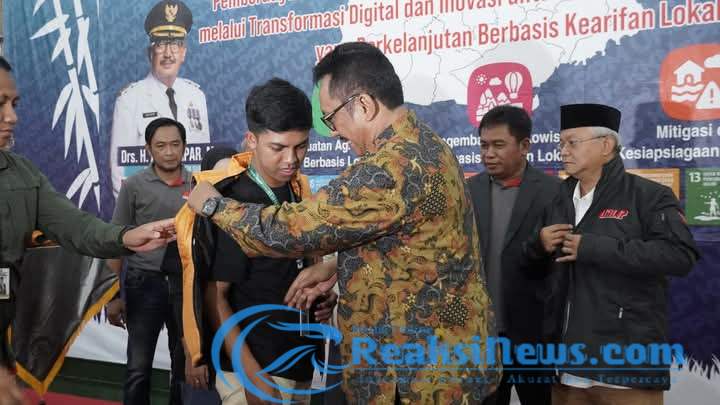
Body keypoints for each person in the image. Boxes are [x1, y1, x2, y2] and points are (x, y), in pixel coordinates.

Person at [187, 42, 500, 404]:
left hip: (415, 377)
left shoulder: (388, 167)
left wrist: (213, 204)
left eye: (331, 118)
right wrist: (338, 264)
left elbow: (289, 231)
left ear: (364, 105)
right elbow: (411, 240)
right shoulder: (427, 144)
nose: (333, 132)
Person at [0, 57, 175, 405]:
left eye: (13, 104)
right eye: (0, 104)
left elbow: (75, 225)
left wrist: (126, 237)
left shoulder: (22, 174)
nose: (12, 117)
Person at [525, 103, 699, 405]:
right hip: (566, 368)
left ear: (606, 145)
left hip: (625, 368)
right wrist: (538, 246)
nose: (563, 151)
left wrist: (593, 247)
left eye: (572, 142)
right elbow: (532, 268)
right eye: (560, 143)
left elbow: (680, 255)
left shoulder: (648, 195)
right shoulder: (556, 198)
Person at [178, 79, 337, 405]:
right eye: (278, 148)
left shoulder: (299, 191)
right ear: (252, 140)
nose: (291, 159)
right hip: (254, 369)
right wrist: (253, 377)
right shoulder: (232, 200)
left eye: (301, 146)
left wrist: (320, 296)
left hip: (298, 358)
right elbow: (215, 297)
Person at [467, 106, 560, 405]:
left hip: (534, 336)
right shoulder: (467, 191)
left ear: (524, 146)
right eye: (484, 145)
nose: (488, 154)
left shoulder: (554, 192)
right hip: (481, 336)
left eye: (498, 145)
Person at [106, 117, 193, 405]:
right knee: (138, 367)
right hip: (143, 285)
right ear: (148, 148)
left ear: (184, 146)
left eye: (175, 144)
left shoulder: (198, 185)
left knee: (183, 367)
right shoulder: (133, 186)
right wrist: (113, 296)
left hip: (185, 287)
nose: (169, 152)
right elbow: (117, 241)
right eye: (161, 145)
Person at [109, 0, 210, 198]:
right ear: (150, 52)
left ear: (183, 53)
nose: (168, 54)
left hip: (192, 205)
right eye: (161, 44)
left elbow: (203, 162)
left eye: (175, 44)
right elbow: (120, 171)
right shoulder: (130, 100)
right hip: (149, 206)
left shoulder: (197, 96)